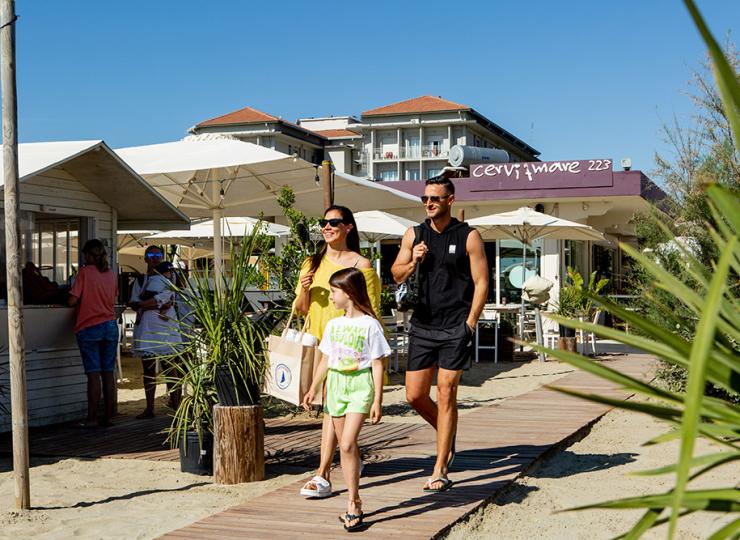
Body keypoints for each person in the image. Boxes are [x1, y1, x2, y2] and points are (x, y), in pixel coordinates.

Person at [391, 176, 488, 492]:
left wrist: (470, 323)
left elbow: (482, 282)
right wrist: (414, 260)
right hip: (422, 325)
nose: (428, 203)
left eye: (435, 198)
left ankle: (440, 467)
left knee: (446, 391)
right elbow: (395, 274)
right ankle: (447, 432)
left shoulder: (469, 236)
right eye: (425, 199)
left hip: (455, 326)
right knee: (414, 395)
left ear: (450, 200)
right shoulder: (413, 234)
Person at [294, 205, 382, 499]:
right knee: (330, 410)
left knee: (332, 410)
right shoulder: (312, 263)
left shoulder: (362, 264)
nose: (327, 227)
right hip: (320, 342)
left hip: (349, 347)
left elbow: (371, 308)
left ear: (348, 227)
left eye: (334, 222)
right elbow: (301, 309)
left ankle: (323, 473)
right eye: (324, 222)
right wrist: (305, 289)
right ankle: (342, 461)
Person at [301, 268, 390, 532]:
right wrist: (313, 388)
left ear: (349, 293)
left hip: (360, 384)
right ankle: (355, 499)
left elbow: (377, 363)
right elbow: (326, 359)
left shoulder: (370, 325)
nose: (330, 297)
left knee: (349, 441)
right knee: (346, 447)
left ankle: (353, 502)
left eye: (334, 291)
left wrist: (377, 400)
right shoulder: (334, 325)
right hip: (336, 385)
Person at [68, 239, 119, 428]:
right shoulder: (111, 274)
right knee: (108, 373)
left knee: (93, 374)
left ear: (89, 255)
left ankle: (92, 418)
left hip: (89, 326)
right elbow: (113, 298)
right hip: (110, 325)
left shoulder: (84, 273)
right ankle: (108, 415)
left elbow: (72, 300)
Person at [128, 247, 181, 419]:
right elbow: (134, 302)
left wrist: (148, 303)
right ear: (145, 259)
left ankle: (177, 406)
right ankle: (149, 408)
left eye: (158, 255)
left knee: (170, 367)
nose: (155, 259)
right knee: (148, 369)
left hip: (166, 326)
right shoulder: (141, 279)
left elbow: (170, 297)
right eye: (151, 255)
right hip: (148, 327)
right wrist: (156, 303)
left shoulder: (171, 276)